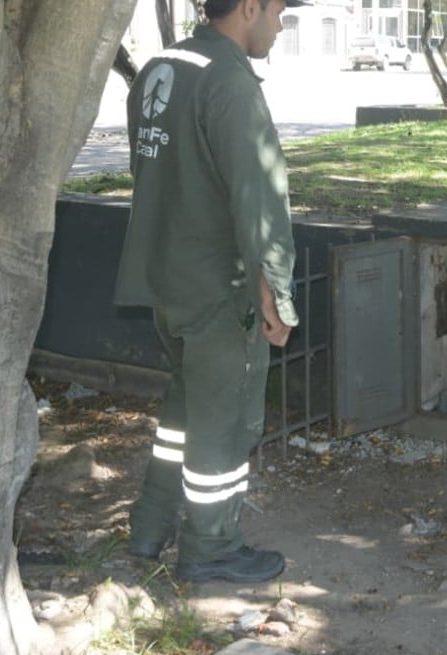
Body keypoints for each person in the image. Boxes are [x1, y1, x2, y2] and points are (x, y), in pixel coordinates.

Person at [113, 0, 306, 583]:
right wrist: (275, 289)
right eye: (277, 13)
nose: (279, 25)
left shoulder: (161, 68)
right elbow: (258, 194)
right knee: (223, 424)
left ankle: (151, 527)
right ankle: (211, 551)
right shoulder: (229, 80)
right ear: (249, 7)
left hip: (167, 282)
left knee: (183, 414)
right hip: (219, 288)